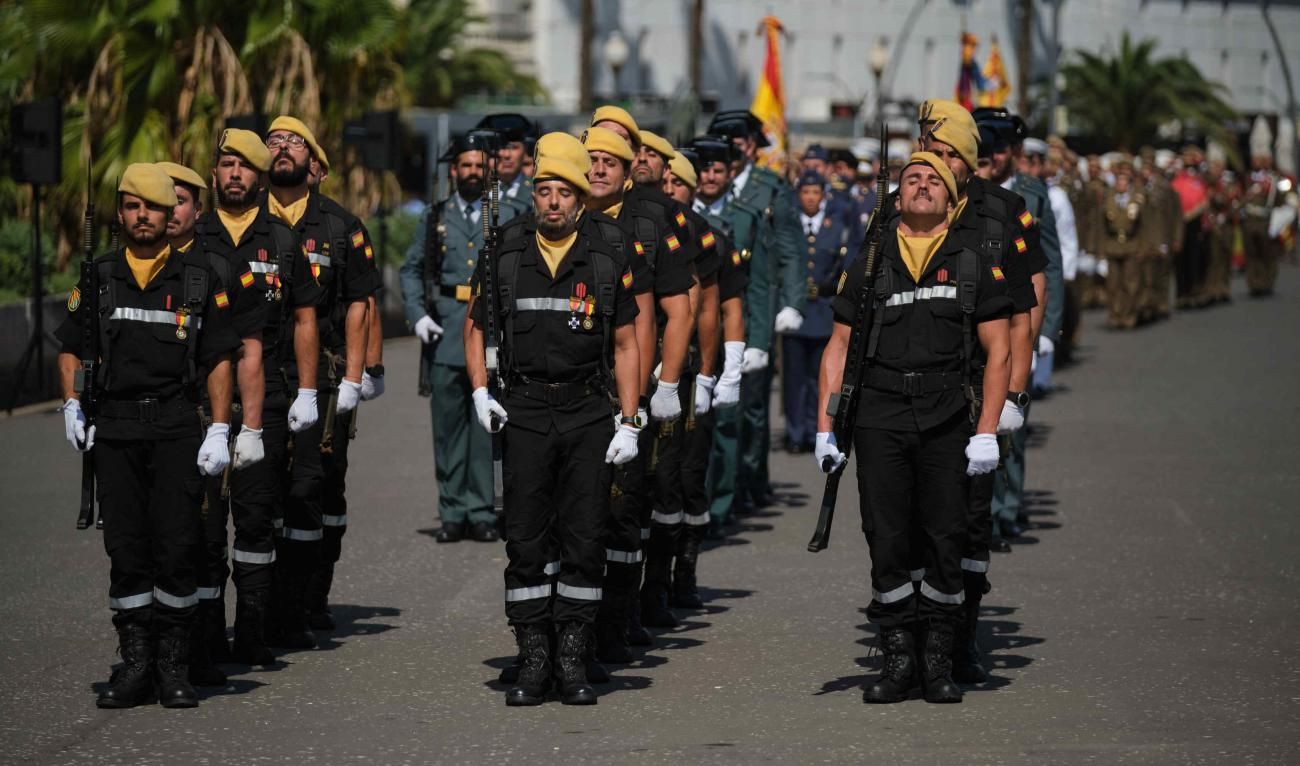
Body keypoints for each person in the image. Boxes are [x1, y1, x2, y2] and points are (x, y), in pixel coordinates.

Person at [816, 153, 1012, 704]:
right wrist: (825, 428)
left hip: (950, 415)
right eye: (912, 180)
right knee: (887, 537)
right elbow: (837, 347)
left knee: (945, 536)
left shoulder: (972, 261)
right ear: (898, 197)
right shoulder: (871, 262)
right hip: (880, 417)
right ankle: (899, 657)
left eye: (934, 181)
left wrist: (986, 430)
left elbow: (998, 351)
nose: (922, 187)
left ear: (951, 201)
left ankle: (937, 659)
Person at [57, 163, 243, 708]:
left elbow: (217, 361)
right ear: (121, 213)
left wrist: (221, 429)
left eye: (154, 208)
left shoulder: (196, 278)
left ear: (170, 216)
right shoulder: (100, 275)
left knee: (177, 546)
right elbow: (71, 346)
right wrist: (71, 402)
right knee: (127, 549)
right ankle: (136, 663)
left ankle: (173, 664)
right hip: (113, 428)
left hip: (175, 426)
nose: (143, 216)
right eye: (133, 206)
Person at [463, 153, 642, 706]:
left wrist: (630, 421)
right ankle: (535, 655)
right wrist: (479, 390)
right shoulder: (506, 251)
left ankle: (572, 656)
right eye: (544, 191)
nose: (554, 202)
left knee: (586, 536)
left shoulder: (607, 253)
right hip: (524, 410)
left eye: (564, 192)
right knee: (525, 539)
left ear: (580, 196)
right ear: (534, 195)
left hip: (588, 409)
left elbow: (627, 343)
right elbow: (475, 327)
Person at [188, 130, 324, 666]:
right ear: (214, 174)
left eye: (245, 166)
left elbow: (304, 319)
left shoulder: (283, 241)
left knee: (255, 517)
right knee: (202, 522)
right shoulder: (193, 237)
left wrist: (309, 392)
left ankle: (251, 629)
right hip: (201, 396)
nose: (235, 174)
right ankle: (202, 635)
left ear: (261, 175)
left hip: (265, 391)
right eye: (226, 164)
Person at [263, 115, 382, 643]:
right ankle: (266, 603)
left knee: (318, 490)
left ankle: (310, 594)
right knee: (262, 491)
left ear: (316, 166)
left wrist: (359, 375)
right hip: (261, 373)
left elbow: (361, 302)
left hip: (327, 377)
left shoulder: (341, 227)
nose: (283, 148)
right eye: (274, 141)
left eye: (295, 142)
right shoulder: (243, 224)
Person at [399, 135, 529, 543]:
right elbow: (410, 269)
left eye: (478, 166)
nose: (472, 173)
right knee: (448, 428)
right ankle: (452, 511)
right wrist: (417, 314)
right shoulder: (435, 215)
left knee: (484, 430)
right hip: (445, 331)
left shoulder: (507, 211)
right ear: (453, 170)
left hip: (488, 332)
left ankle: (482, 510)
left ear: (487, 170)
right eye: (465, 166)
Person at [708, 110, 803, 510]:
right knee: (720, 409)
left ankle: (751, 479)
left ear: (752, 146)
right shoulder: (704, 184)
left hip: (753, 309)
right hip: (714, 312)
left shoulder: (770, 188)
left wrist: (792, 302)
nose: (735, 149)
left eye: (742, 142)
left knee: (752, 407)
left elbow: (788, 249)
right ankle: (727, 487)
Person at [687, 136, 766, 535]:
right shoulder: (680, 216)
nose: (711, 177)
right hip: (691, 336)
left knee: (726, 426)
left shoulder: (745, 215)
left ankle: (720, 505)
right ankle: (696, 502)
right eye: (705, 170)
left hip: (731, 326)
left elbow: (762, 279)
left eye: (718, 170)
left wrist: (758, 341)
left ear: (728, 173)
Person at [783, 170, 855, 454]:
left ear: (823, 196)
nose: (810, 198)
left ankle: (818, 429)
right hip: (796, 311)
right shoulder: (789, 225)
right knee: (794, 379)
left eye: (815, 193)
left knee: (820, 377)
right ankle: (795, 432)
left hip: (824, 311)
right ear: (798, 195)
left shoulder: (836, 227)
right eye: (805, 192)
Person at [1093, 158, 1149, 330]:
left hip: (1131, 246)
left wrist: (1143, 247)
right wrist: (1100, 249)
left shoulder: (1136, 201)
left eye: (1124, 181)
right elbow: (1101, 227)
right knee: (1113, 284)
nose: (1121, 184)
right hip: (1112, 246)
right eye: (1119, 181)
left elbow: (1143, 227)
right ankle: (1115, 315)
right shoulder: (1108, 200)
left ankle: (1129, 315)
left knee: (1130, 284)